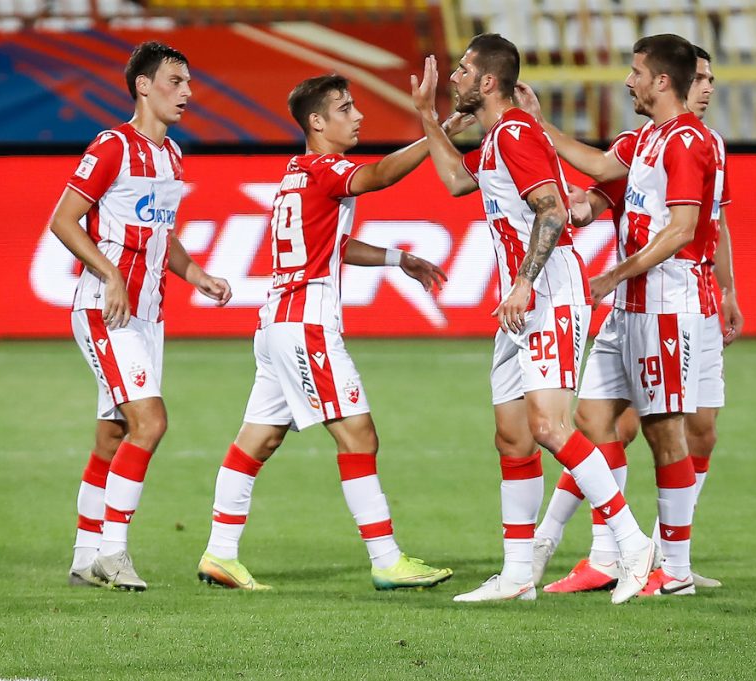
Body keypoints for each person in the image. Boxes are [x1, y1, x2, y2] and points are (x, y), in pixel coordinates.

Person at [197, 74, 466, 592]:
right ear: (317, 122)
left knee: (258, 439)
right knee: (358, 435)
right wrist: (437, 125)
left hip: (277, 323)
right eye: (345, 108)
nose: (358, 115)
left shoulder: (296, 174)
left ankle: (220, 553)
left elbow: (332, 244)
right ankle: (386, 559)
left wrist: (398, 257)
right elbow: (383, 175)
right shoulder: (325, 169)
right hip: (306, 324)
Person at [411, 34, 655, 604]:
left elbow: (551, 212)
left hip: (545, 291)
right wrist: (427, 115)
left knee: (548, 426)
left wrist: (523, 284)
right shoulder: (499, 137)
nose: (455, 77)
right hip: (518, 301)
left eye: (465, 70)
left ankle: (633, 543)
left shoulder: (516, 132)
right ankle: (519, 573)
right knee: (513, 436)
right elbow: (453, 181)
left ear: (488, 82)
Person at [521, 45, 744, 594]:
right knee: (594, 422)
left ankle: (675, 572)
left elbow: (684, 229)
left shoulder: (691, 143)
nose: (627, 81)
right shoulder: (645, 139)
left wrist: (613, 274)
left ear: (662, 81)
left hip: (669, 304)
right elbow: (598, 166)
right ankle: (612, 553)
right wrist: (538, 124)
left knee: (666, 432)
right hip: (631, 309)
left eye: (636, 73)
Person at [50, 41, 233, 591]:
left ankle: (86, 557)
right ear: (143, 86)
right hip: (107, 312)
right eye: (176, 80)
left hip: (149, 315)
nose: (188, 92)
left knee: (113, 435)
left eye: (189, 81)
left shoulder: (173, 155)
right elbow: (63, 220)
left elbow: (160, 231)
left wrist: (194, 273)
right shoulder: (112, 145)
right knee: (150, 422)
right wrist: (109, 274)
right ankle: (113, 552)